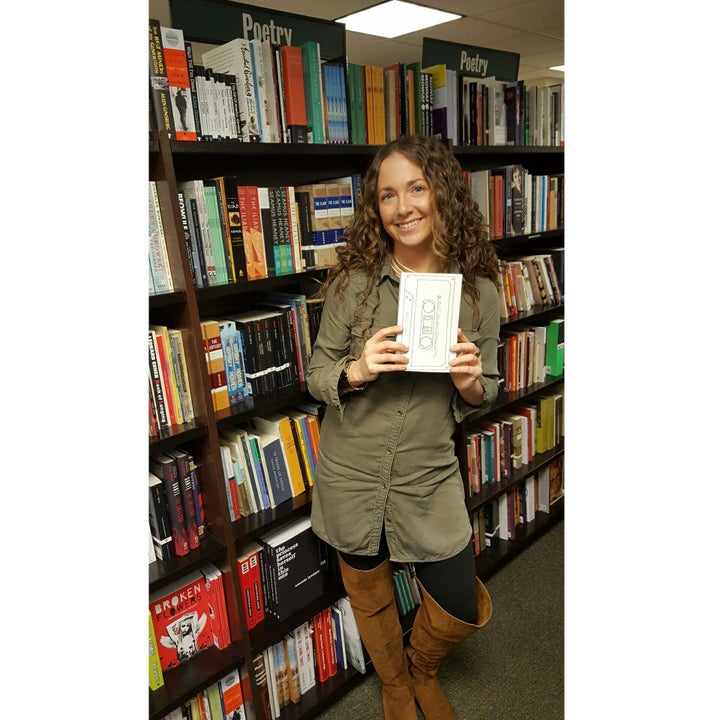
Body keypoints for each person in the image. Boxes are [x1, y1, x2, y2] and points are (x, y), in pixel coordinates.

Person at [306, 135, 501, 720]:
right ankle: (396, 684)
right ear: (377, 209)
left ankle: (421, 668)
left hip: (426, 474)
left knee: (459, 599)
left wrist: (469, 382)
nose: (403, 206)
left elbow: (485, 390)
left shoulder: (479, 295)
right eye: (387, 195)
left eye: (416, 187)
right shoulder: (352, 284)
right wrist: (356, 370)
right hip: (352, 474)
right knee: (368, 592)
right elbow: (317, 375)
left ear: (441, 192)